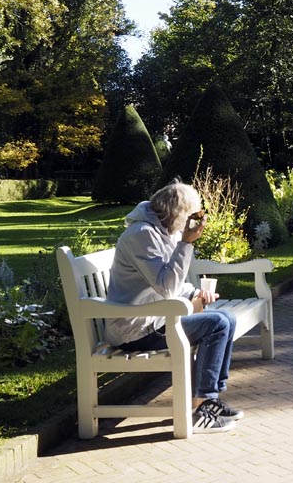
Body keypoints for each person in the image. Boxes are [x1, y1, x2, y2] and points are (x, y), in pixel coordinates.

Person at [104, 180, 242, 433]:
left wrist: (194, 292)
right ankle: (203, 405)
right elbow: (165, 286)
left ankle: (210, 400)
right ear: (178, 213)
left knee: (228, 318)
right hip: (136, 329)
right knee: (218, 323)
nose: (197, 221)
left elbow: (170, 283)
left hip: (155, 320)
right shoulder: (142, 235)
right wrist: (186, 243)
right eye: (195, 215)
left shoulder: (163, 232)